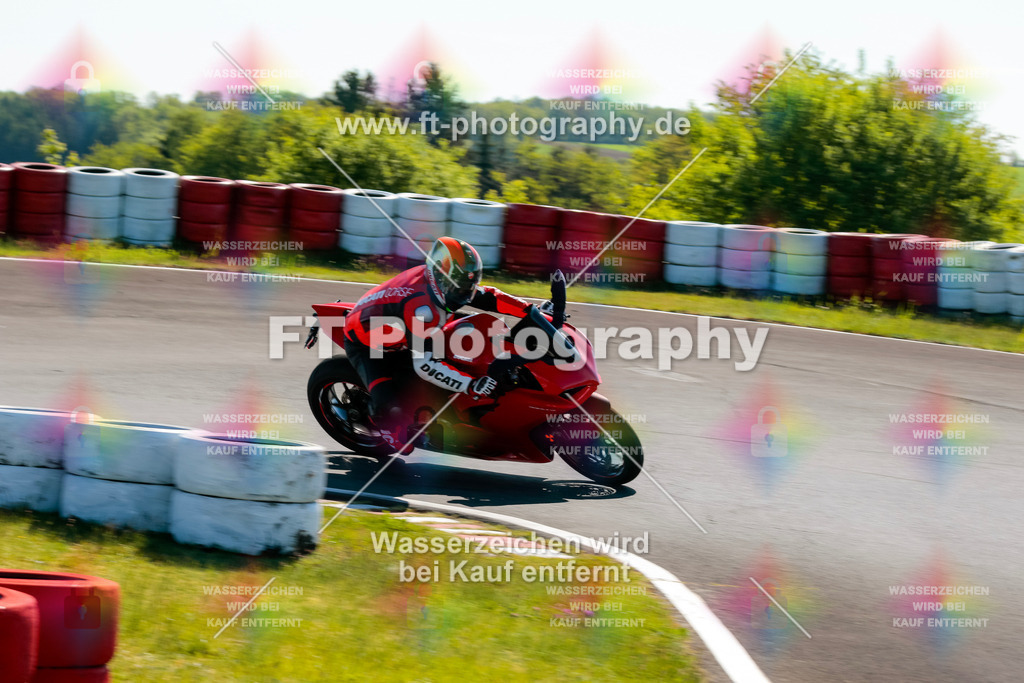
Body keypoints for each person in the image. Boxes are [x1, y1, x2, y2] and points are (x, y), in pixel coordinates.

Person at [342, 236, 532, 452]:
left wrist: (530, 309)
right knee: (395, 418)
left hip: (402, 330)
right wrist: (470, 385)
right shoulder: (423, 309)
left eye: (467, 286)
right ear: (439, 279)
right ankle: (385, 429)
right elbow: (425, 365)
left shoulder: (444, 284)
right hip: (369, 347)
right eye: (459, 288)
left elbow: (488, 296)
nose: (464, 293)